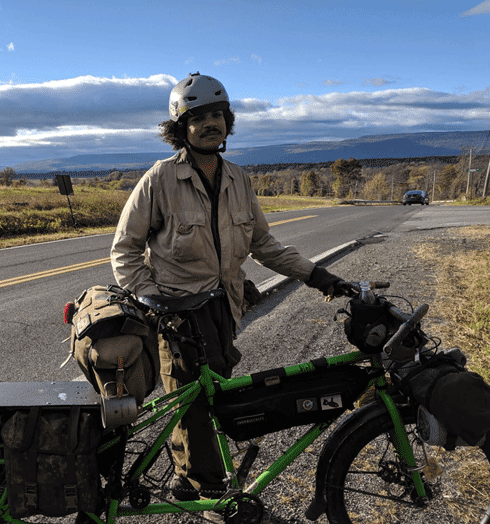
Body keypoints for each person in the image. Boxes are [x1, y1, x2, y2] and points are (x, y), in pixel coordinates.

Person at [110, 72, 342, 501]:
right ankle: (206, 489)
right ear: (181, 127)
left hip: (224, 309)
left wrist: (317, 275)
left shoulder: (238, 178)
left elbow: (264, 245)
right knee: (189, 403)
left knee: (214, 395)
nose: (211, 123)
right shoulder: (159, 179)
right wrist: (152, 300)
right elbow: (124, 250)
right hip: (177, 313)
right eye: (199, 116)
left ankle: (190, 477)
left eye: (219, 114)